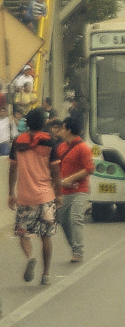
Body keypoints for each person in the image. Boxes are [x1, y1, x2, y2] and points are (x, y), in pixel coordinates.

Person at [9, 104, 58, 286]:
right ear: (44, 122)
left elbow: (12, 169)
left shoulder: (18, 141)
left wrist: (10, 193)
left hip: (24, 196)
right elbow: (56, 171)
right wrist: (59, 194)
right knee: (46, 237)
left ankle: (30, 256)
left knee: (24, 234)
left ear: (27, 123)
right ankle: (45, 274)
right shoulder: (50, 141)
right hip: (46, 196)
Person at [54, 108, 94, 265]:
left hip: (80, 190)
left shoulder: (83, 148)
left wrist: (71, 178)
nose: (60, 131)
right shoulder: (61, 147)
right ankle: (74, 246)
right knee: (63, 219)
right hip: (64, 190)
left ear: (69, 130)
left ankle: (78, 251)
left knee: (75, 218)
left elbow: (90, 168)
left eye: (63, 128)